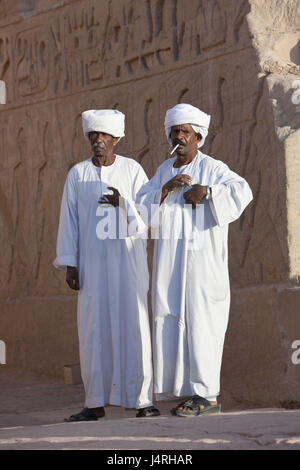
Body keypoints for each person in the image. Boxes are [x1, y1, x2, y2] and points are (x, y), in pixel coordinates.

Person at [136, 103, 253, 417]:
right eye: (175, 131)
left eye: (185, 131)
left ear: (198, 137)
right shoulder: (163, 170)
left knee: (203, 323)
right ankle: (187, 391)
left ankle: (208, 395)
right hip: (169, 263)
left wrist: (208, 191)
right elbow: (141, 204)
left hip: (203, 264)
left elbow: (243, 191)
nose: (179, 136)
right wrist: (164, 189)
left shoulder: (213, 167)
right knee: (170, 317)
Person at [53, 109, 160, 421]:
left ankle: (142, 400)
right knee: (93, 329)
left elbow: (146, 218)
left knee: (135, 325)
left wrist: (122, 205)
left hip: (129, 263)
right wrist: (70, 264)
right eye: (93, 135)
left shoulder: (132, 170)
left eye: (104, 136)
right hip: (93, 266)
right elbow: (68, 222)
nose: (98, 141)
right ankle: (94, 402)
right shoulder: (77, 175)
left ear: (116, 138)